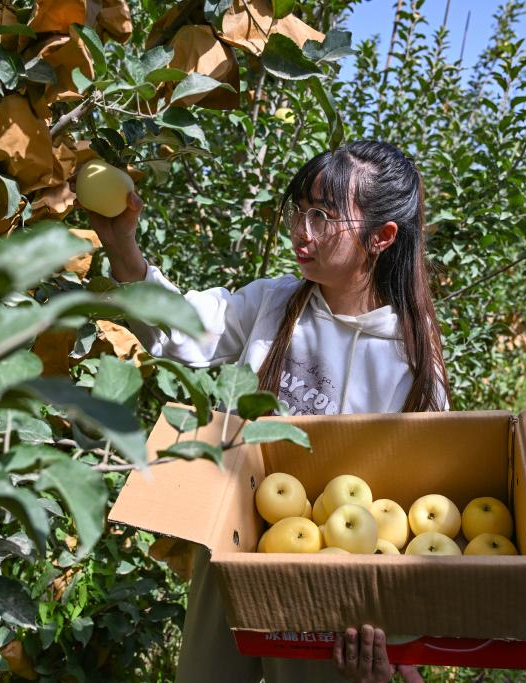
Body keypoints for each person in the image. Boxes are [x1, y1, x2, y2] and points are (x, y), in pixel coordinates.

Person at [80, 140, 449, 683]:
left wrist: (399, 656)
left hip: (332, 594)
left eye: (323, 215)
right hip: (232, 549)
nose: (303, 229)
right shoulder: (275, 304)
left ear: (381, 237)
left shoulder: (411, 365)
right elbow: (179, 330)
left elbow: (418, 517)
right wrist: (124, 250)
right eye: (301, 209)